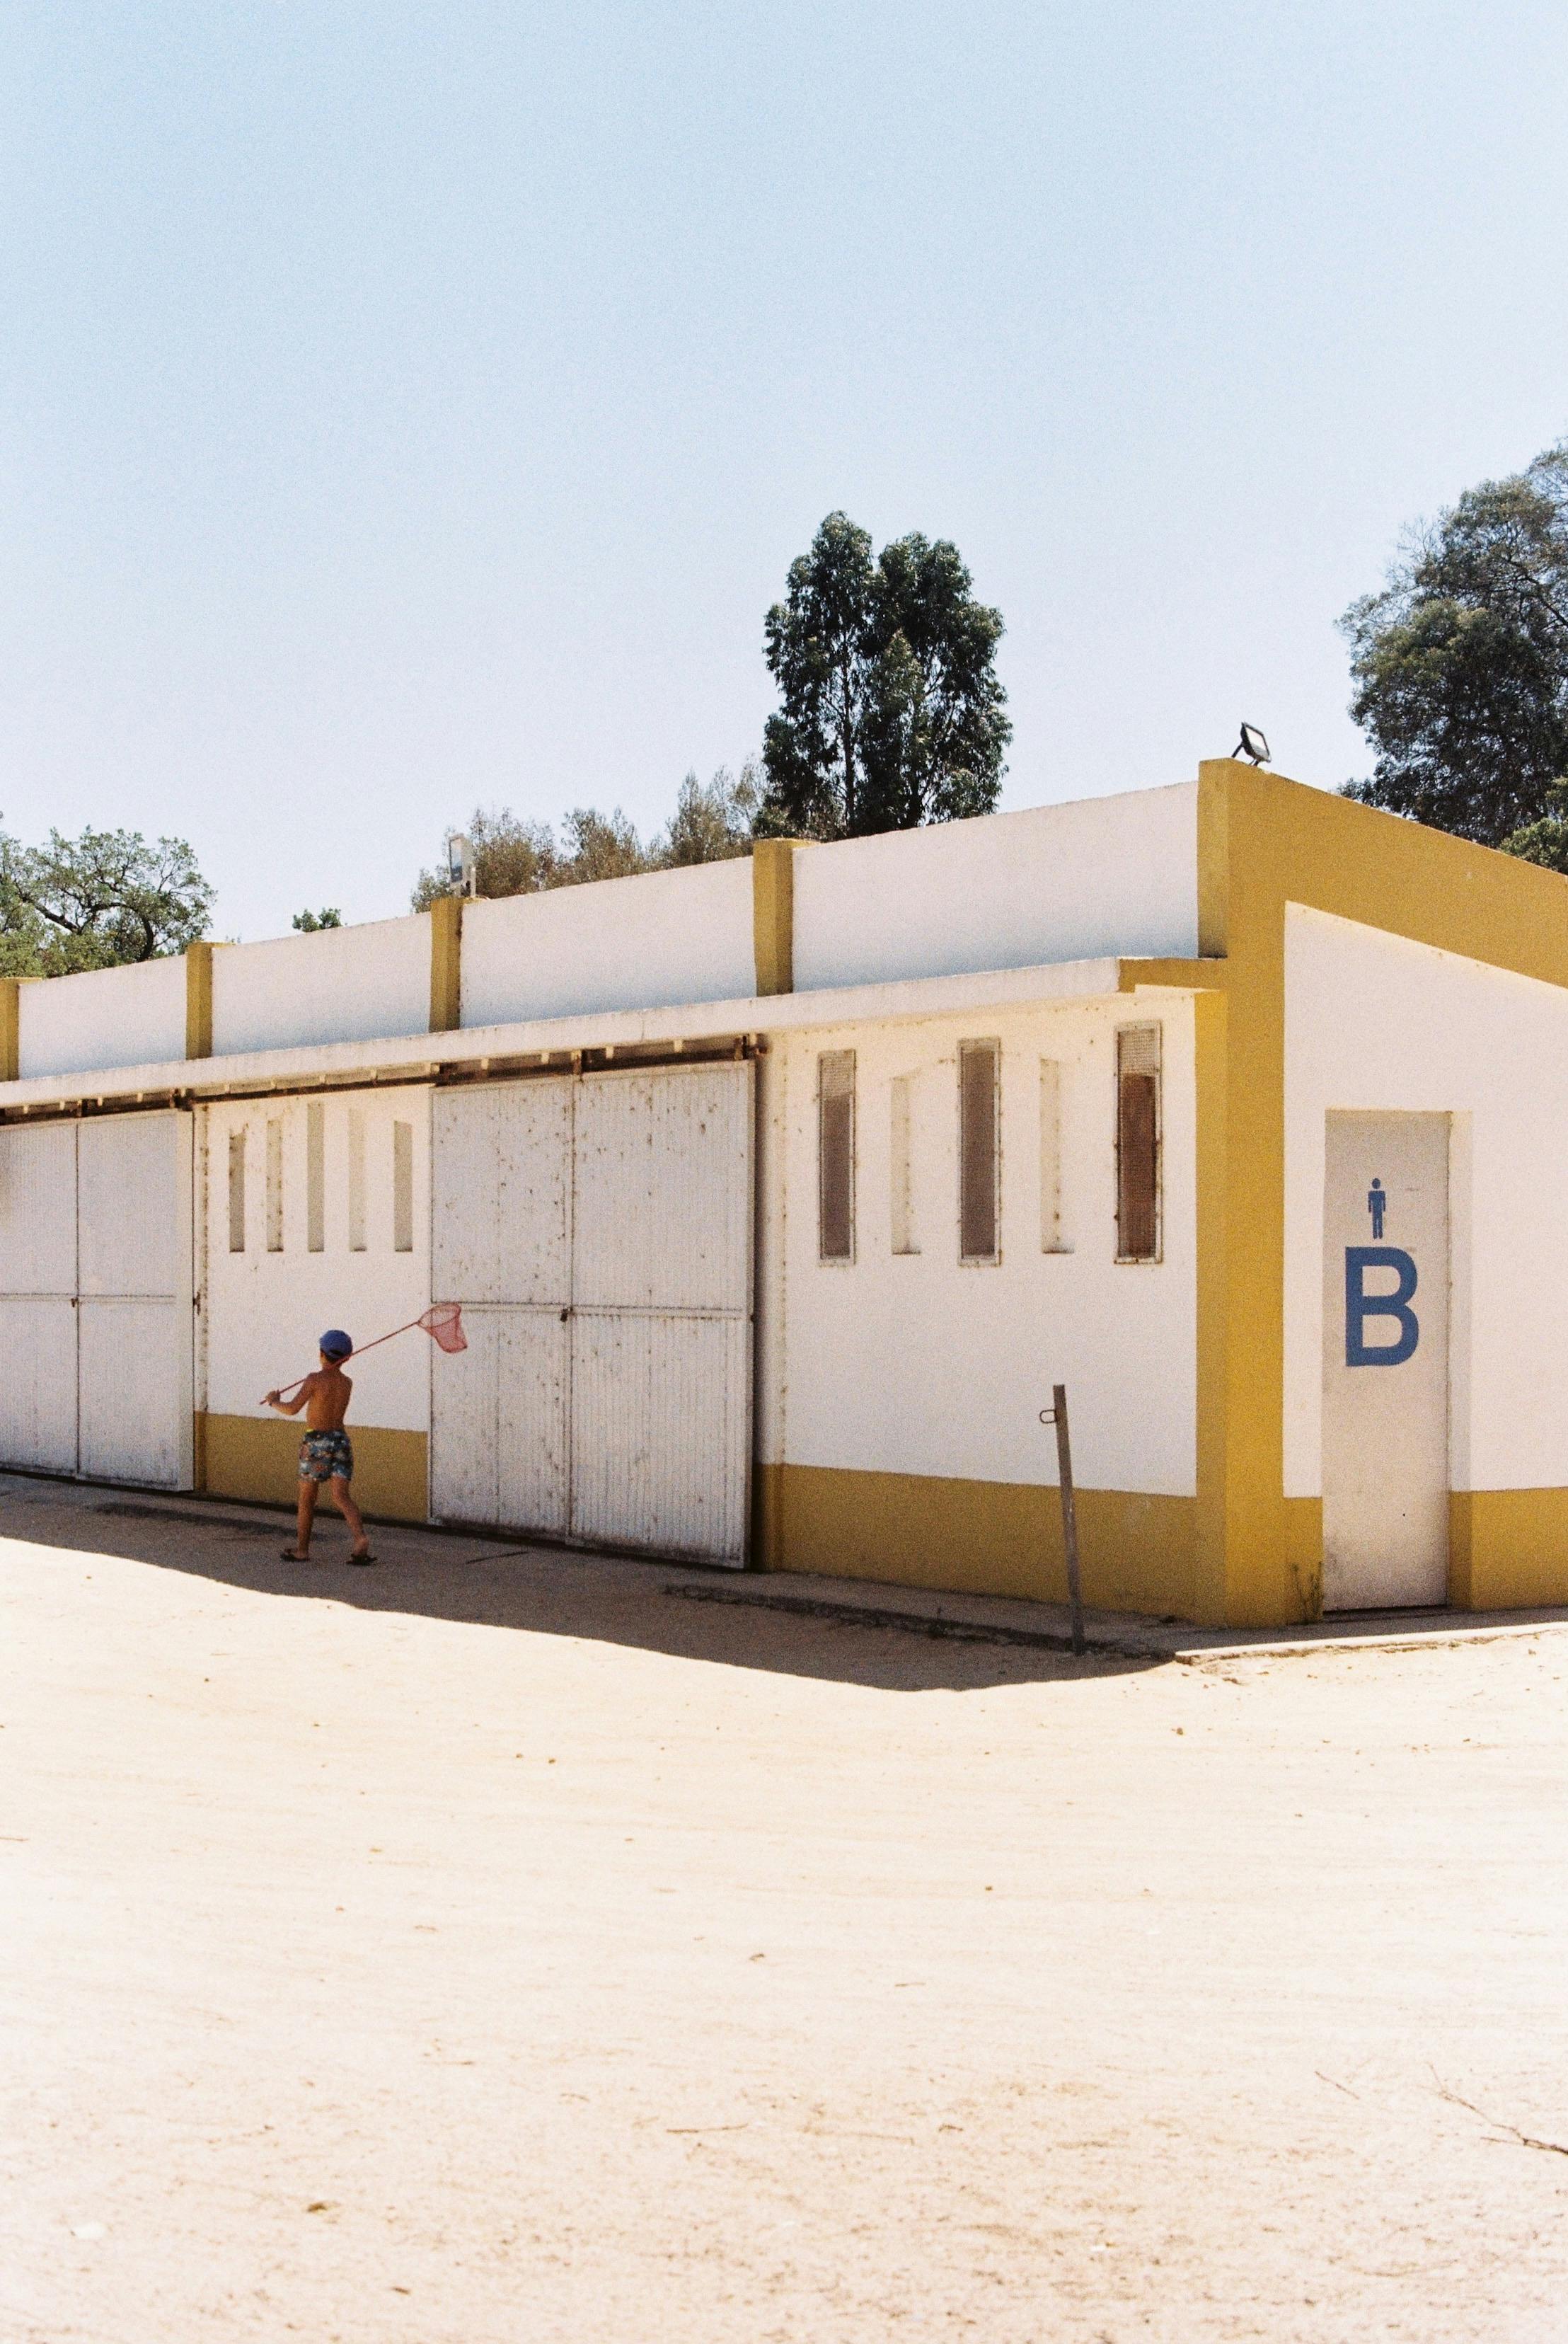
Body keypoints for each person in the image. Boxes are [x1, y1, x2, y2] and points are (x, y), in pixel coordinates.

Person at [264, 1329, 375, 1565]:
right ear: (347, 1357)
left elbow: (292, 1409)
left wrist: (274, 1402)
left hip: (316, 1442)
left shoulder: (314, 1379)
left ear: (321, 1354)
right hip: (341, 1440)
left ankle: (302, 1550)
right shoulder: (347, 1383)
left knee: (307, 1499)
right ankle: (360, 1538)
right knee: (341, 1496)